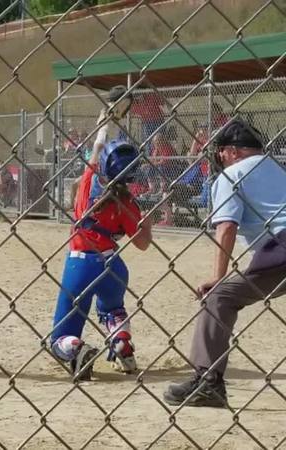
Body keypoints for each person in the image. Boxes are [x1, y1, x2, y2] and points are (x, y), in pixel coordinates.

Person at [164, 119, 286, 407]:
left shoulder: (232, 175)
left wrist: (218, 277)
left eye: (221, 152)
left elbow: (227, 227)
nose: (219, 157)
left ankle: (208, 383)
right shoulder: (277, 168)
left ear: (233, 151)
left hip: (282, 248)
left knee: (219, 298)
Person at [50, 104, 153, 381]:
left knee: (59, 336)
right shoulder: (128, 202)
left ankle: (77, 348)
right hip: (113, 266)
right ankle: (122, 345)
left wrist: (104, 123)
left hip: (80, 265)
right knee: (112, 310)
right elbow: (143, 244)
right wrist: (147, 223)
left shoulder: (88, 182)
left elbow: (97, 147)